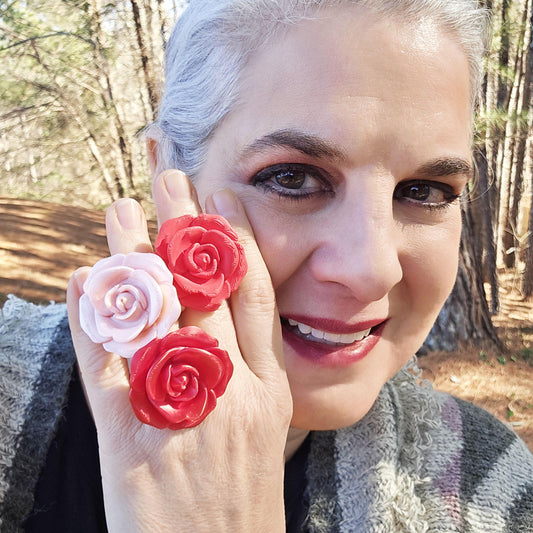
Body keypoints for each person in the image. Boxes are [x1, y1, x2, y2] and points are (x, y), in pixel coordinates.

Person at [0, 0, 531, 531]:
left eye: (425, 191)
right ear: (169, 170)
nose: (373, 270)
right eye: (292, 178)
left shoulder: (485, 487)